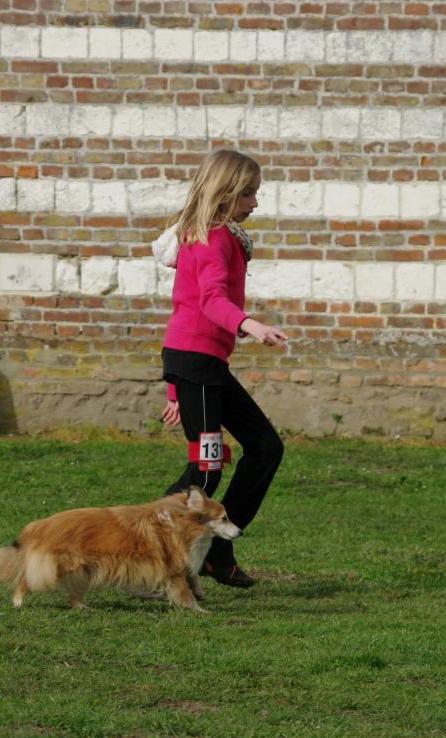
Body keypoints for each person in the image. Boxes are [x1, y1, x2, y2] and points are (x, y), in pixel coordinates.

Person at [154, 149, 288, 589]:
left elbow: (185, 305)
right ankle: (145, 544)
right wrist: (250, 324)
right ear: (226, 193)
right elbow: (208, 301)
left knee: (265, 446)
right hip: (197, 363)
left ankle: (219, 545)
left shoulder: (215, 236)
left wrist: (176, 389)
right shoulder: (210, 237)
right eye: (248, 193)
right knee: (207, 468)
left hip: (202, 365)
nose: (255, 202)